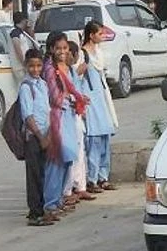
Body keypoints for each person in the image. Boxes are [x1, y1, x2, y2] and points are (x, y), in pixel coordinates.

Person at [42, 33, 88, 219]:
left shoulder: (67, 68)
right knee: (56, 161)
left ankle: (59, 199)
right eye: (58, 48)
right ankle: (50, 204)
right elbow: (54, 96)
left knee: (68, 159)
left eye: (65, 48)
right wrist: (72, 98)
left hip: (69, 117)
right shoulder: (50, 70)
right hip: (57, 117)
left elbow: (74, 89)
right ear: (52, 49)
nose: (62, 51)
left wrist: (79, 98)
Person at [81, 21, 117, 193]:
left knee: (105, 139)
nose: (102, 37)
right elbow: (78, 76)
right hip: (90, 99)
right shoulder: (83, 54)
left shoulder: (99, 53)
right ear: (91, 35)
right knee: (93, 140)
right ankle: (92, 179)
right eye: (99, 34)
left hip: (101, 97)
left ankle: (104, 177)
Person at [19, 48, 55, 226]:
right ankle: (35, 213)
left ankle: (41, 209)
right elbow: (28, 116)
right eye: (31, 66)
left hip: (45, 135)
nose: (35, 69)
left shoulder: (42, 84)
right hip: (33, 137)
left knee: (42, 174)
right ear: (26, 66)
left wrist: (48, 135)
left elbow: (47, 111)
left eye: (38, 65)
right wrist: (41, 137)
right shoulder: (26, 87)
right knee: (34, 176)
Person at [64, 41, 94, 203]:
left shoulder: (73, 73)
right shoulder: (65, 73)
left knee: (80, 152)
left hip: (77, 115)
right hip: (68, 115)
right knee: (71, 153)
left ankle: (81, 186)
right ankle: (68, 190)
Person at [9, 12, 38, 84]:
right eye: (26, 21)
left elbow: (33, 41)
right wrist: (24, 63)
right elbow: (17, 48)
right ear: (23, 20)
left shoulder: (22, 32)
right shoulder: (15, 33)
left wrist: (29, 29)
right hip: (20, 67)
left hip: (24, 66)